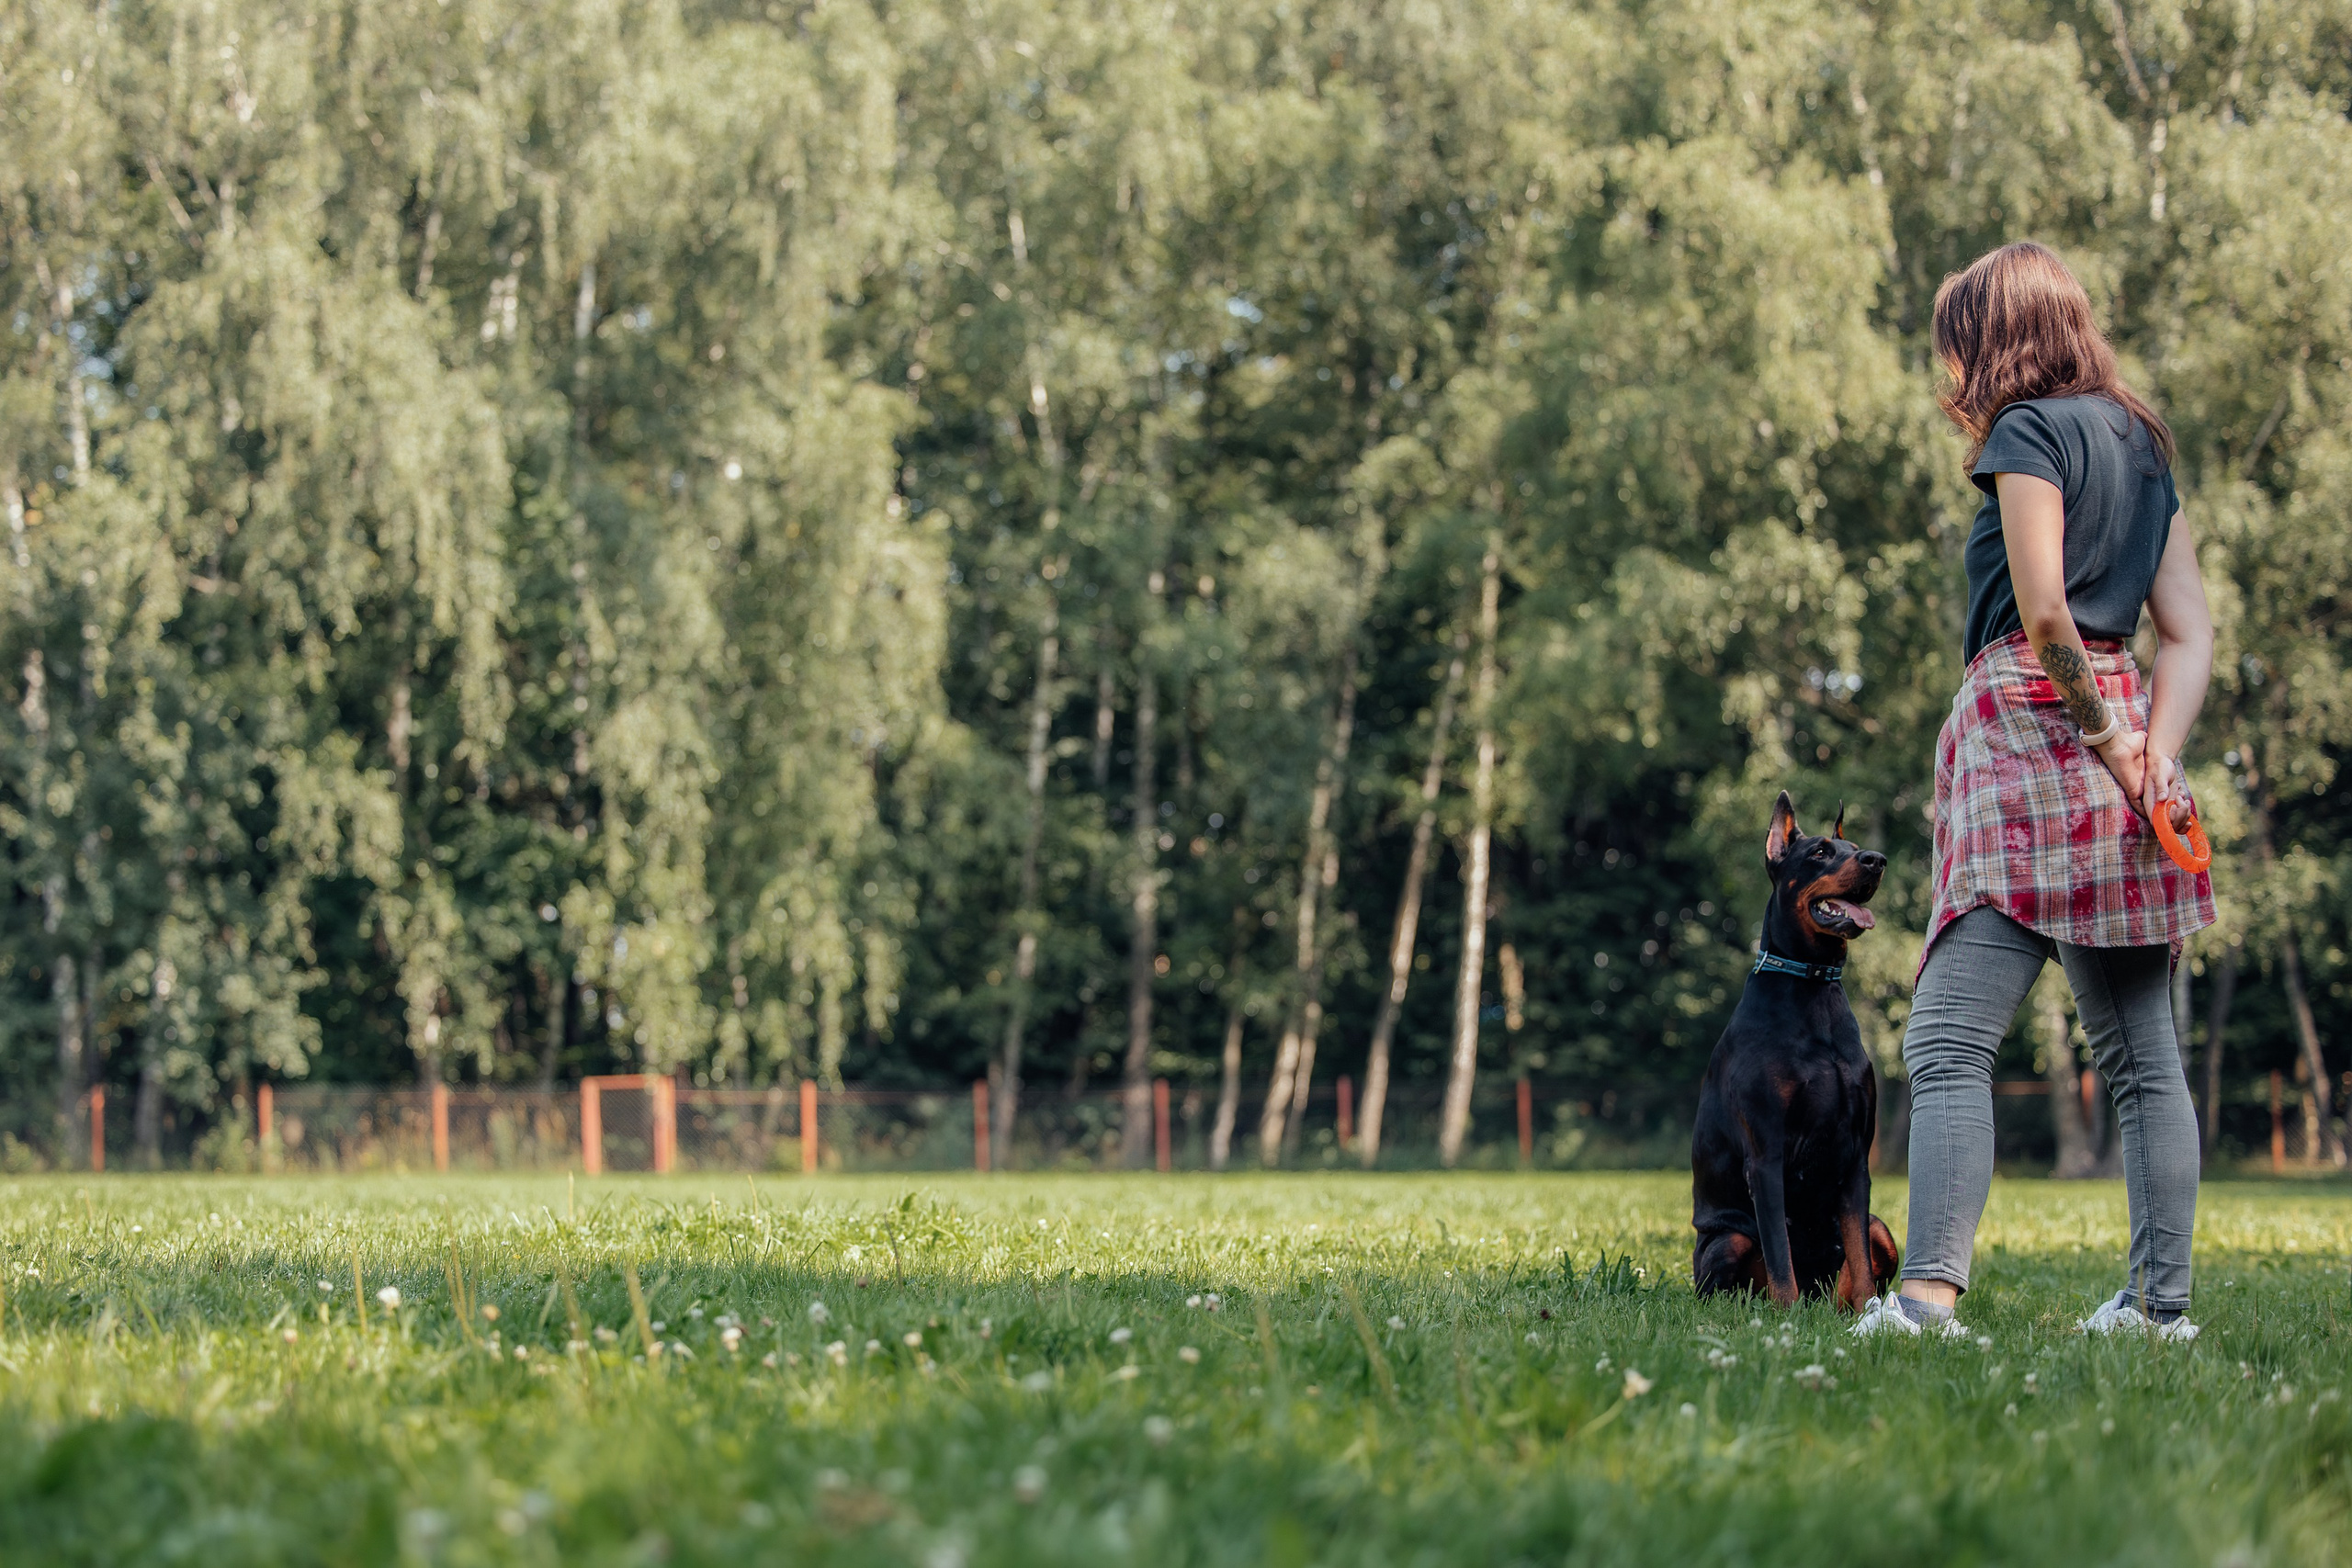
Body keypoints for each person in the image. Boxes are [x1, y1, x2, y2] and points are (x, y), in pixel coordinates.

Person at [1853, 242, 2215, 1342]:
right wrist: (2151, 754)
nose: (1952, 369)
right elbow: (2189, 631)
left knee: (1949, 1039)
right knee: (2143, 1059)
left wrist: (2105, 743)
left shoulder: (2028, 432)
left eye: (1958, 341)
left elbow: (2045, 612)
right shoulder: (2142, 444)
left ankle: (1923, 1304)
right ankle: (2159, 1312)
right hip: (2128, 739)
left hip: (2032, 725)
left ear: (1994, 339)